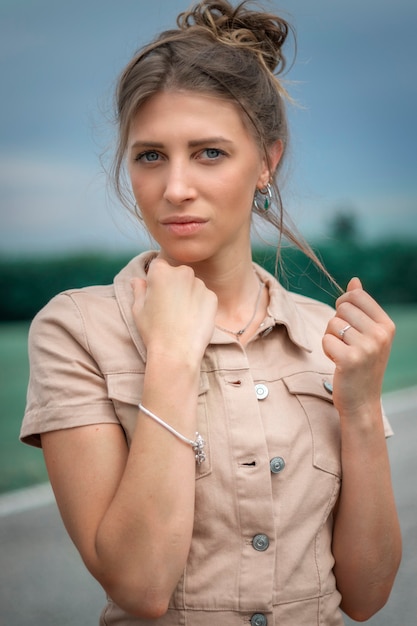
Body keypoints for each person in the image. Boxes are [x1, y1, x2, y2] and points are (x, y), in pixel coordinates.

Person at [20, 1, 402, 624]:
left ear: (266, 163)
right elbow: (140, 588)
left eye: (209, 153)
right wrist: (170, 357)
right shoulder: (75, 331)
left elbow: (366, 596)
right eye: (150, 156)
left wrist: (359, 408)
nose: (175, 188)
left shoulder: (325, 336)